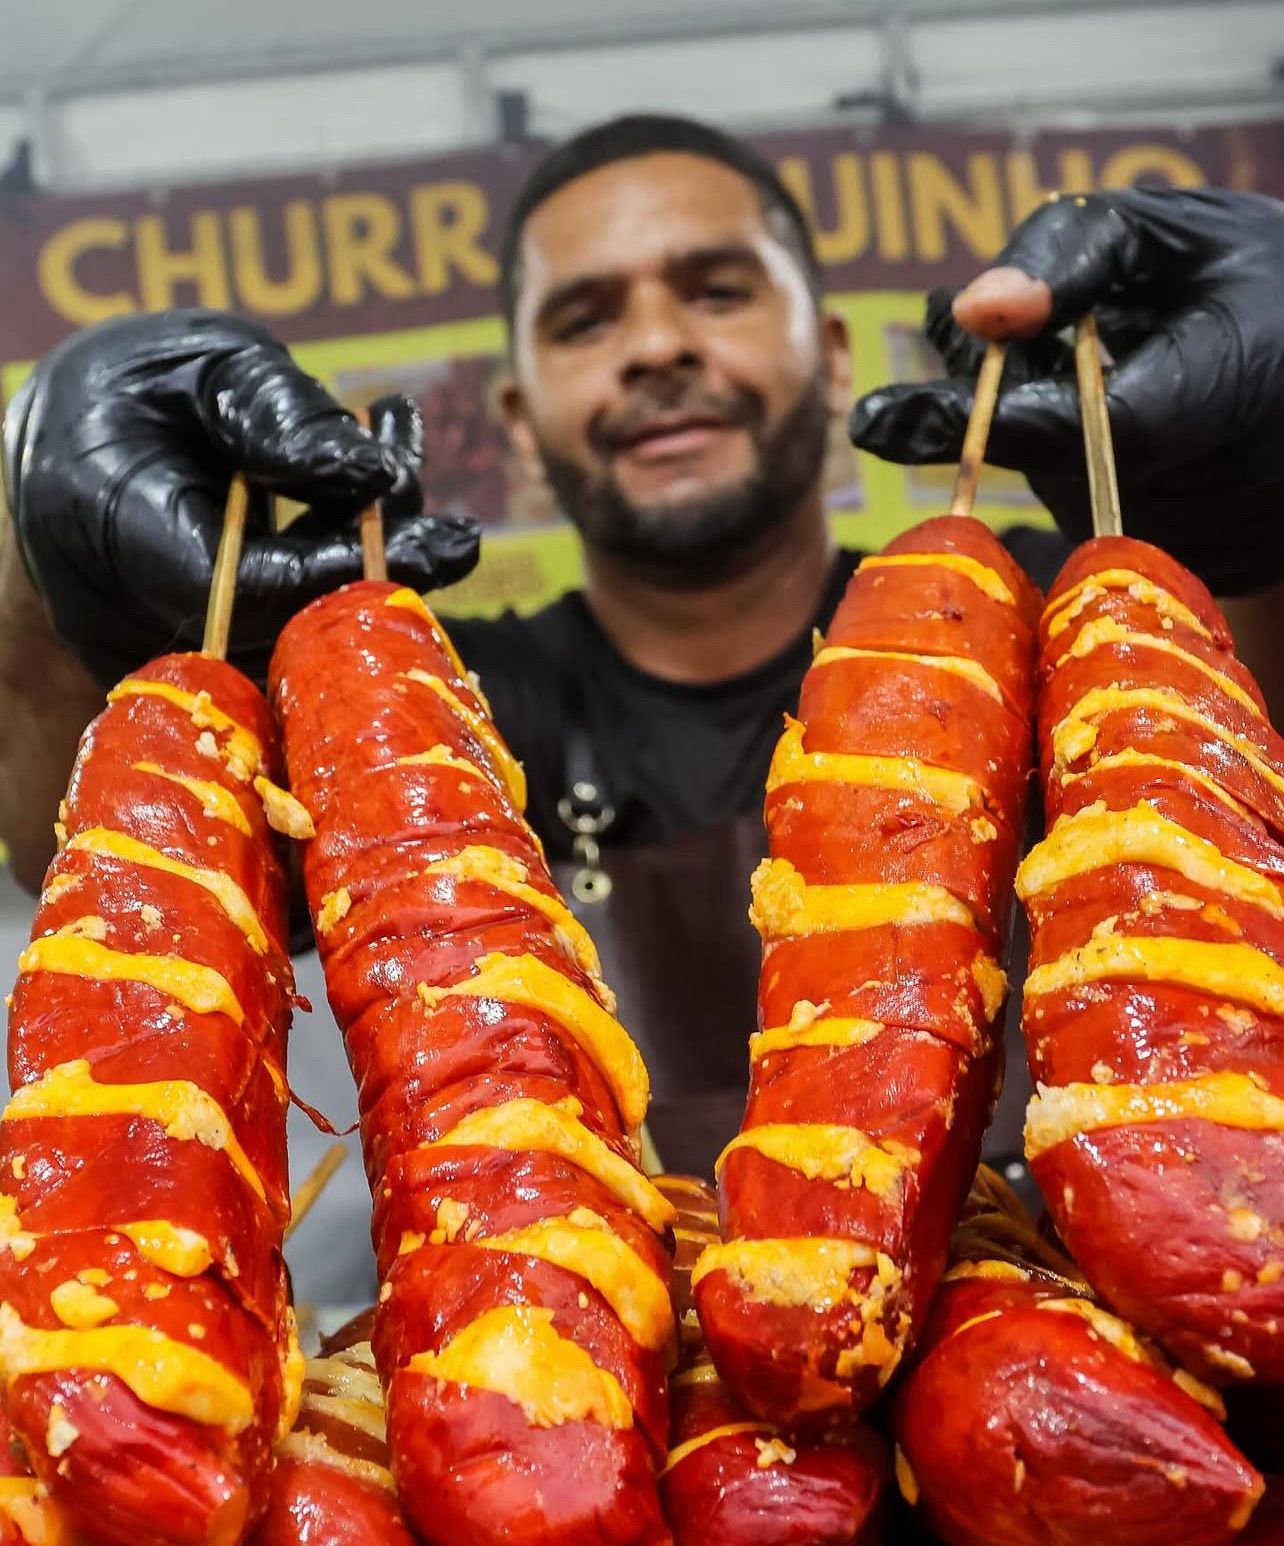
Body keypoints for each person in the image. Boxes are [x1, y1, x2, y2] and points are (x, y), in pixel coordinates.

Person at [2, 113, 1281, 1177]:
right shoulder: (442, 712)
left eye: (717, 290)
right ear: (516, 409)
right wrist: (43, 552)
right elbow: (51, 830)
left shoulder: (1055, 625)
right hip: (556, 1407)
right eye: (586, 320)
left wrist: (1258, 511)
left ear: (833, 359)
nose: (660, 346)